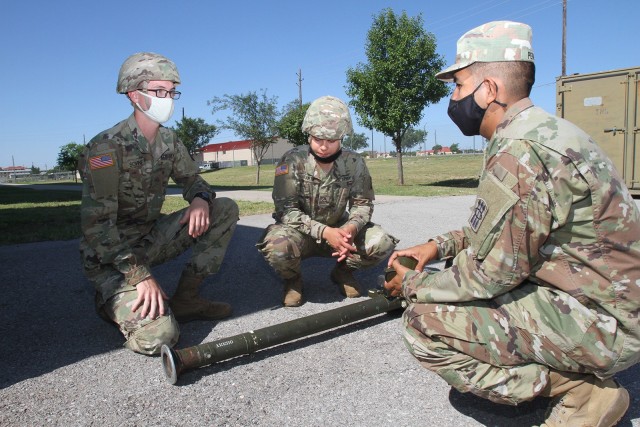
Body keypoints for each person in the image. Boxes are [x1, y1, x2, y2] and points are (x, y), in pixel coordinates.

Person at [384, 21, 640, 427]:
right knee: (456, 275)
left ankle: (580, 393)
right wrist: (437, 247)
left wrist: (412, 284)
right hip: (609, 303)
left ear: (488, 90)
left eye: (458, 86)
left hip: (607, 325)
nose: (452, 98)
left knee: (422, 323)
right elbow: (494, 233)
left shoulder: (520, 150)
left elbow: (491, 273)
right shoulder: (542, 132)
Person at [79, 52, 239, 356]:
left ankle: (187, 300)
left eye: (171, 92)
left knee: (225, 208)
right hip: (110, 257)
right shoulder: (105, 148)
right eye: (158, 91)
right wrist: (140, 276)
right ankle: (112, 298)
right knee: (160, 337)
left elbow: (194, 180)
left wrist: (201, 200)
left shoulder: (170, 141)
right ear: (133, 94)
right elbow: (97, 227)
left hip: (149, 239)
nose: (167, 99)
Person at [257, 95, 398, 307]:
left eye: (331, 141)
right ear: (308, 136)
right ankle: (293, 280)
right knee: (277, 246)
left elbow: (362, 204)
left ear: (342, 138)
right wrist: (324, 232)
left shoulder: (354, 162)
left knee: (381, 242)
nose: (323, 147)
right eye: (317, 139)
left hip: (340, 231)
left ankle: (342, 272)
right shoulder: (293, 160)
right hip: (300, 234)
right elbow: (286, 211)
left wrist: (351, 228)